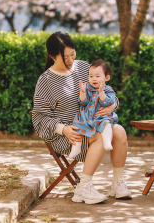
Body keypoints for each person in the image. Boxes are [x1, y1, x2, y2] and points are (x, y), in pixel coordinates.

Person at [31, 32, 132, 205]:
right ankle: (84, 187)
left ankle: (117, 183)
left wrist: (112, 105)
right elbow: (39, 118)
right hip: (68, 135)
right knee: (100, 136)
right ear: (52, 56)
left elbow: (106, 90)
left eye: (73, 54)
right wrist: (63, 129)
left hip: (92, 125)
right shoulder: (46, 81)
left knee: (120, 132)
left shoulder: (84, 68)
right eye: (65, 57)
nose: (71, 60)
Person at [68, 59, 115, 160]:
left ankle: (107, 141)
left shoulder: (108, 90)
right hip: (86, 116)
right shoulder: (88, 88)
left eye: (97, 76)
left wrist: (101, 92)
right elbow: (83, 102)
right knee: (77, 125)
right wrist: (83, 93)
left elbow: (108, 102)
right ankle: (76, 148)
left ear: (106, 78)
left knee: (106, 124)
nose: (94, 79)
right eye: (91, 76)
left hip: (100, 116)